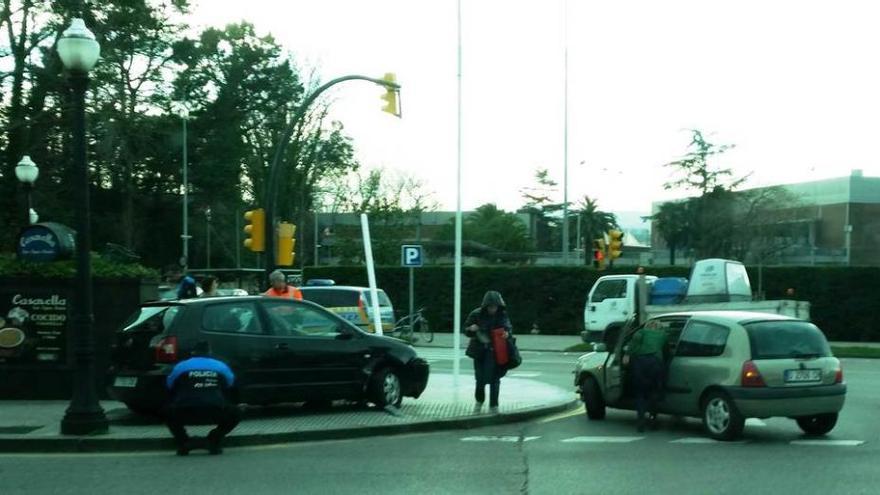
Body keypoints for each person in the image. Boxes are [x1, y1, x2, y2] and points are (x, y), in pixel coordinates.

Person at [164, 342, 240, 456]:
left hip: (184, 411)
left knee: (166, 411)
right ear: (209, 352)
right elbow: (230, 384)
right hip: (215, 411)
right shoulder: (220, 366)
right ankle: (213, 439)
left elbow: (169, 385)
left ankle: (184, 442)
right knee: (237, 412)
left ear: (193, 352)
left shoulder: (181, 366)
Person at [464, 290, 512, 412]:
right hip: (480, 351)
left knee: (495, 378)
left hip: (496, 351)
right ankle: (479, 401)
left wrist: (507, 334)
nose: (493, 309)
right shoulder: (476, 314)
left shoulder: (502, 314)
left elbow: (508, 328)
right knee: (479, 378)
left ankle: (494, 405)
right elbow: (466, 330)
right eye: (490, 307)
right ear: (485, 306)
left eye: (495, 307)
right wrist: (471, 329)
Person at [624, 319, 669, 432]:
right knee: (653, 392)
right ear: (659, 327)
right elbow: (667, 352)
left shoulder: (641, 333)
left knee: (640, 393)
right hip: (656, 364)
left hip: (640, 363)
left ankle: (640, 420)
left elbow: (632, 345)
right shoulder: (663, 335)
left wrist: (627, 355)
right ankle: (653, 419)